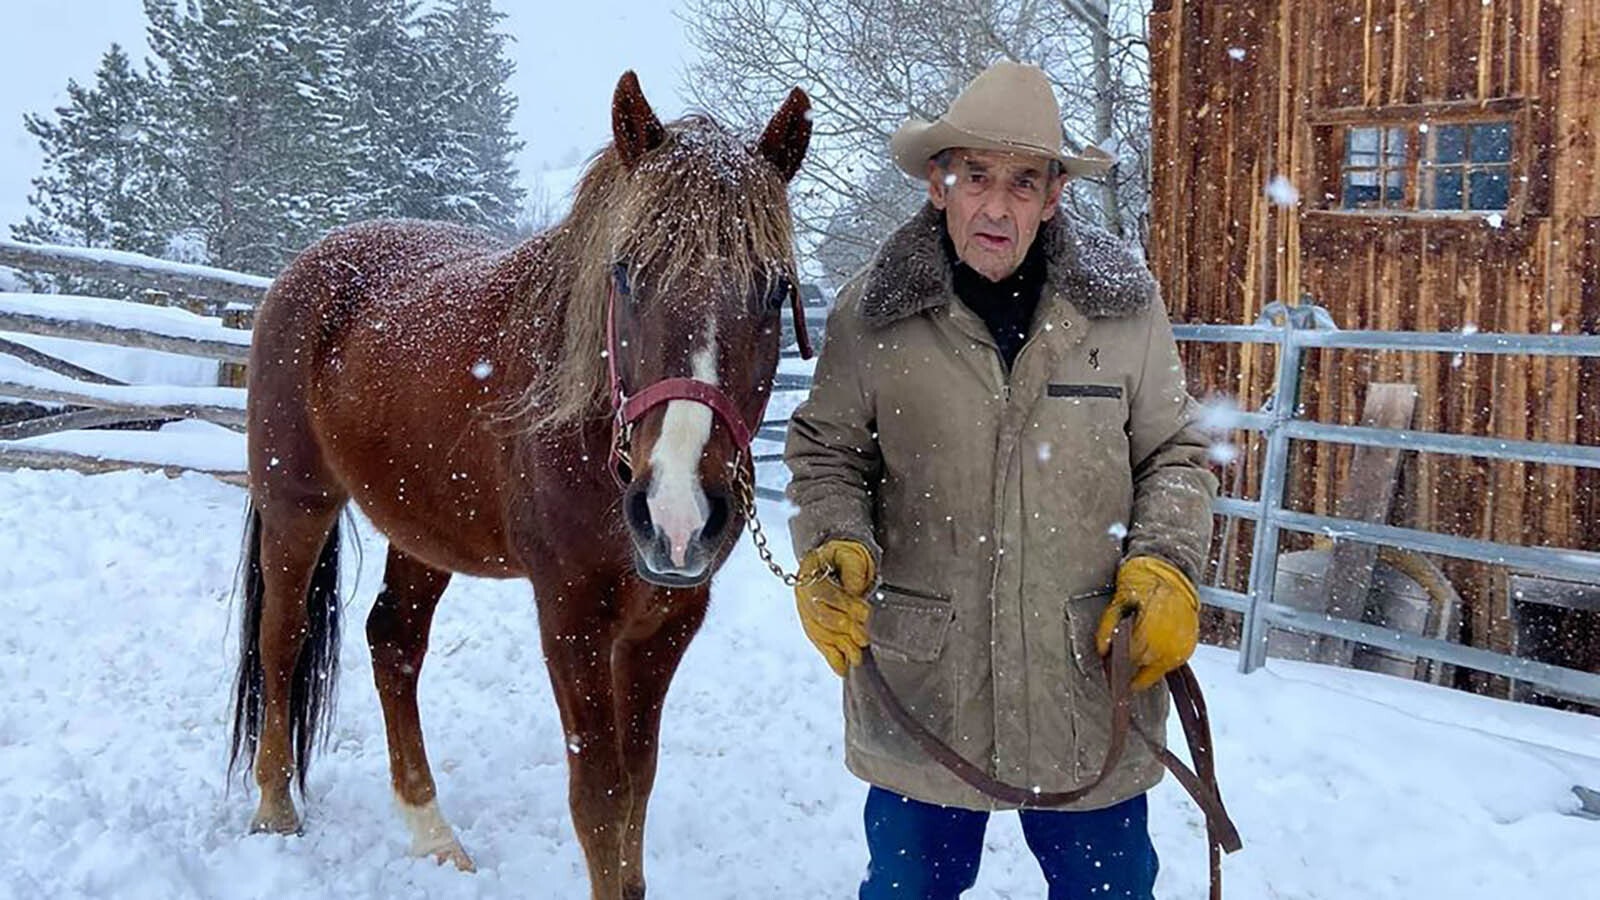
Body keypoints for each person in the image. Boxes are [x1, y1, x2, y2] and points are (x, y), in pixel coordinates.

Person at [783, 61, 1219, 900]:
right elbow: (826, 453)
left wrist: (1166, 563)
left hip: (1086, 681)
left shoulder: (1124, 309)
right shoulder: (872, 315)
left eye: (1023, 182)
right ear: (938, 183)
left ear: (1054, 197)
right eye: (976, 176)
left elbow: (1174, 451)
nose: (996, 206)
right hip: (925, 687)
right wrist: (835, 543)